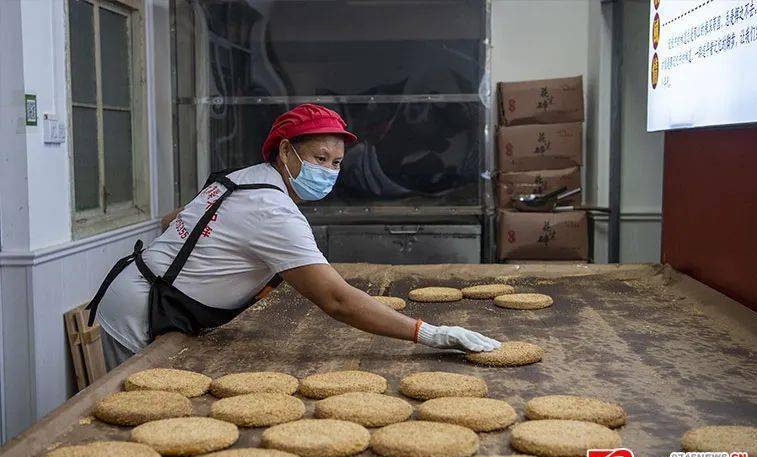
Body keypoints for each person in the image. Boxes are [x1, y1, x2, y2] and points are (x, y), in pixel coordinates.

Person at [87, 104, 500, 369]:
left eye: (337, 162)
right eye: (320, 158)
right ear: (285, 151)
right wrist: (430, 334)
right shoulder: (272, 210)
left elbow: (170, 221)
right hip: (138, 317)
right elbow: (337, 301)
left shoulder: (242, 179)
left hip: (140, 291)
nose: (330, 171)